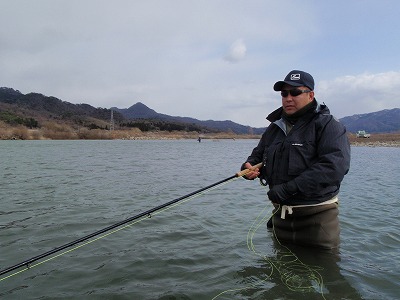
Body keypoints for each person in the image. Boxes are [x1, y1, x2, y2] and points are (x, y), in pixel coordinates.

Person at [242, 70, 350, 249]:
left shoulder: (329, 125)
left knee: (324, 270)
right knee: (279, 271)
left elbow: (334, 167)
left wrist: (286, 190)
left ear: (311, 95)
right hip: (280, 219)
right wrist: (248, 168)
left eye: (295, 92)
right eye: (284, 93)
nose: (288, 98)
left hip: (317, 221)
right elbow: (257, 155)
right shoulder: (274, 128)